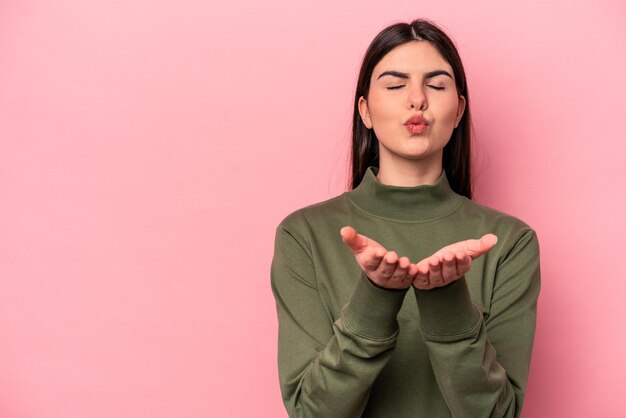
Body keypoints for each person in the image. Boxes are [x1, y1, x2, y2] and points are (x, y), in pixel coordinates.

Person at [270, 18, 541, 418]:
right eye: (396, 85)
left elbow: (497, 414)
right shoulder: (303, 235)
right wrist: (375, 296)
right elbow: (314, 413)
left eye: (436, 85)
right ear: (365, 110)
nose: (417, 100)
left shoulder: (510, 241)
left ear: (459, 110)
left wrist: (447, 299)